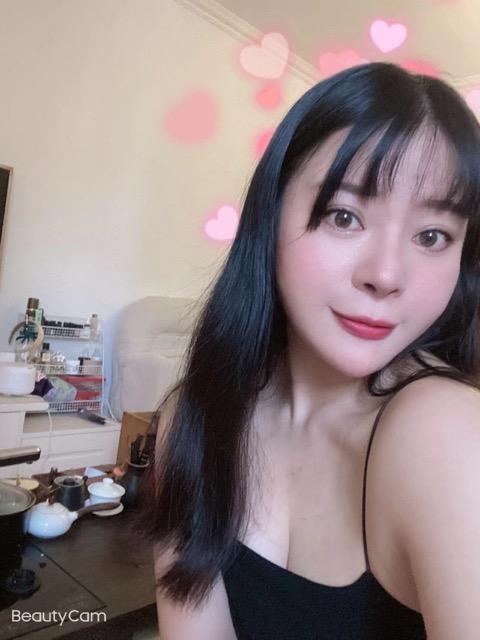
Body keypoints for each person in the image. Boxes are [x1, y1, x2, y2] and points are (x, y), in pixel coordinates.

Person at [134, 62, 480, 639]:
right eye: (344, 216)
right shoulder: (192, 421)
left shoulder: (446, 431)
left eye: (432, 236)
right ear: (270, 216)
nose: (386, 275)